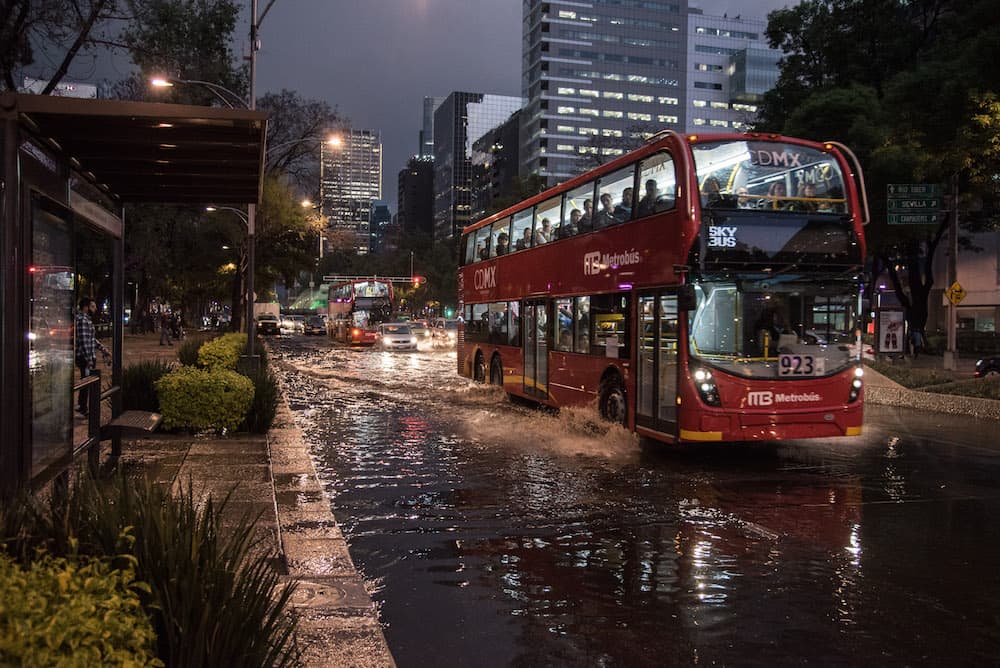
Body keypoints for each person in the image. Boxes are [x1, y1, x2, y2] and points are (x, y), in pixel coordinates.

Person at [75, 297, 110, 416]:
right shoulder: (83, 320)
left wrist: (103, 349)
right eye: (92, 307)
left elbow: (91, 339)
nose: (95, 309)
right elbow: (85, 342)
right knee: (87, 382)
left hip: (87, 356)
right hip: (85, 357)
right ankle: (84, 408)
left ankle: (82, 405)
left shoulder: (86, 320)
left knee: (86, 381)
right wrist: (89, 360)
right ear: (85, 307)